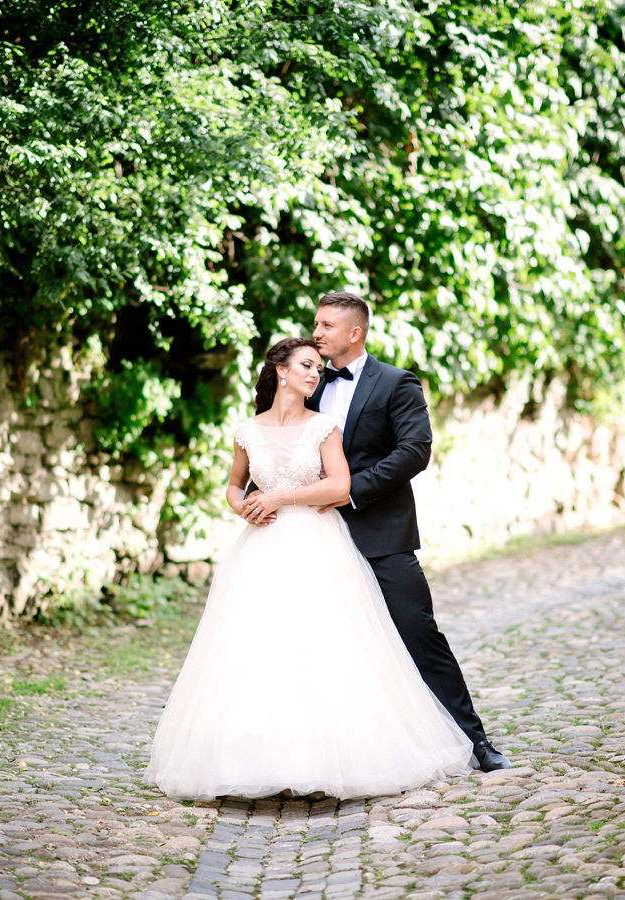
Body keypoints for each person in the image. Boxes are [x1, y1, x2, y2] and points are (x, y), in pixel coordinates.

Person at [145, 338, 473, 800]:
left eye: (319, 367)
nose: (316, 373)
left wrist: (281, 496)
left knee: (323, 644)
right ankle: (253, 760)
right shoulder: (247, 430)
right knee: (258, 648)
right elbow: (235, 486)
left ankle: (331, 761)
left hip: (318, 543)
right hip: (261, 547)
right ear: (280, 371)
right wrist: (243, 508)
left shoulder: (323, 426)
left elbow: (340, 484)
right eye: (306, 365)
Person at [307, 291, 511, 772]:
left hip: (381, 532)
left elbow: (414, 450)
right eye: (315, 324)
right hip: (312, 535)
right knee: (316, 642)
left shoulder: (396, 383)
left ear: (355, 333)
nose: (316, 334)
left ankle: (475, 742)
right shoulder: (305, 380)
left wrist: (350, 491)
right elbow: (278, 437)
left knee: (419, 634)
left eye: (326, 326)